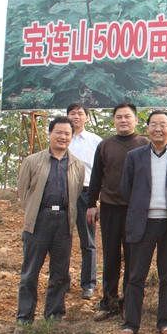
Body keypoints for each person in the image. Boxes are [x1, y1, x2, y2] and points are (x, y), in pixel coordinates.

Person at [117, 110, 167, 334]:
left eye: (163, 124)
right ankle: (130, 324)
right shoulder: (134, 156)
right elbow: (126, 189)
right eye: (153, 124)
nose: (158, 129)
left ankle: (166, 322)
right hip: (143, 223)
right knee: (135, 276)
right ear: (147, 128)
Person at [16, 117, 85, 324]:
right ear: (50, 134)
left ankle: (54, 316)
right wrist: (34, 212)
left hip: (64, 221)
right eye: (59, 132)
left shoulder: (77, 165)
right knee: (30, 272)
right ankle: (24, 318)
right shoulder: (32, 161)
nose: (63, 137)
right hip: (39, 220)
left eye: (67, 134)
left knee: (60, 272)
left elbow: (76, 192)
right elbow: (23, 192)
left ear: (71, 137)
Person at [86, 102, 149, 321]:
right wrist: (91, 203)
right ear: (114, 120)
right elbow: (96, 176)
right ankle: (108, 302)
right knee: (111, 256)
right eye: (119, 117)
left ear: (136, 120)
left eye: (127, 117)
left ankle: (129, 303)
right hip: (110, 207)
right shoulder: (105, 145)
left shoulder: (145, 144)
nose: (123, 120)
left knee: (133, 257)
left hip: (136, 210)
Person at [66, 102, 102, 300]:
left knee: (88, 241)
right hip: (62, 193)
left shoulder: (95, 141)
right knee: (60, 240)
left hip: (85, 193)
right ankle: (61, 280)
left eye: (80, 113)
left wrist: (95, 201)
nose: (76, 117)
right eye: (72, 113)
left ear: (86, 118)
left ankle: (88, 284)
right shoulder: (62, 138)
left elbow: (101, 171)